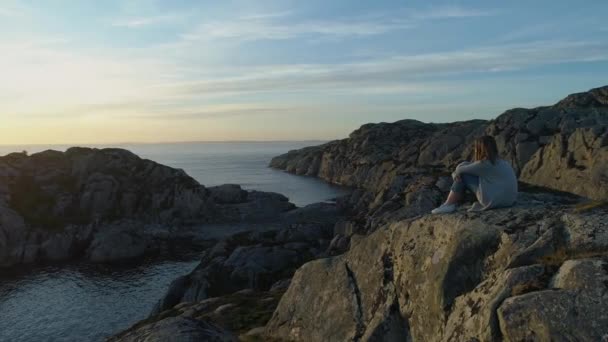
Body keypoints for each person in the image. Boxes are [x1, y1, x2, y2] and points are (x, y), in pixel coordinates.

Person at [431, 135, 518, 214]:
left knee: (464, 176)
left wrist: (455, 175)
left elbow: (460, 169)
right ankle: (450, 204)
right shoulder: (501, 162)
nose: (474, 150)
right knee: (465, 174)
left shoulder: (484, 164)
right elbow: (467, 165)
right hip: (509, 200)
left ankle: (449, 204)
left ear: (480, 149)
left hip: (493, 200)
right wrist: (457, 173)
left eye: (475, 147)